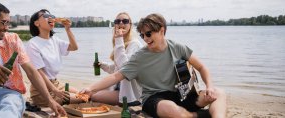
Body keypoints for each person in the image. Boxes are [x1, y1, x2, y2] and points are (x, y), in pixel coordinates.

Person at [80, 13, 227, 118]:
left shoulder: (177, 47)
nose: (145, 39)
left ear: (162, 30)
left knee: (219, 93)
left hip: (182, 95)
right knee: (172, 110)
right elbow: (116, 76)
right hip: (154, 98)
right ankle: (200, 115)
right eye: (143, 35)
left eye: (149, 34)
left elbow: (202, 67)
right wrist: (91, 88)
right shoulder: (140, 57)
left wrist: (209, 86)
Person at [25, 9, 82, 107]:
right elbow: (39, 72)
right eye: (46, 16)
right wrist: (54, 90)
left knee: (83, 94)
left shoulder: (54, 40)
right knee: (82, 99)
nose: (50, 17)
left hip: (57, 84)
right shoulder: (33, 44)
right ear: (37, 23)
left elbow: (74, 47)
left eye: (51, 15)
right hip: (42, 92)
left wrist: (67, 29)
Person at [91, 12, 142, 106]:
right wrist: (102, 65)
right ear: (115, 25)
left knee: (93, 96)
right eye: (117, 21)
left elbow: (125, 69)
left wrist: (119, 39)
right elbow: (117, 69)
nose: (121, 23)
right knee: (92, 92)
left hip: (131, 95)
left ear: (130, 25)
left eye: (125, 21)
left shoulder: (135, 44)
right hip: (119, 89)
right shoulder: (122, 42)